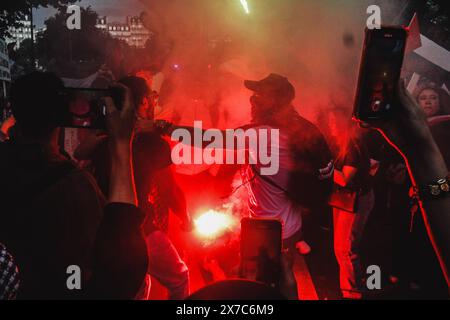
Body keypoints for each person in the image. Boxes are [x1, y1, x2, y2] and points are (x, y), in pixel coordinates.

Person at [158, 73, 334, 298]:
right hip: (292, 224)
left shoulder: (262, 134)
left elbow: (208, 139)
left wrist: (165, 128)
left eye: (257, 97)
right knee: (286, 270)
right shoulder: (300, 128)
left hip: (265, 227)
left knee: (258, 281)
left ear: (272, 102)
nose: (252, 102)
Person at [75, 76, 190, 300]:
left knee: (134, 286)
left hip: (103, 227)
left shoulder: (104, 136)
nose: (154, 103)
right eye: (151, 98)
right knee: (180, 277)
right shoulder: (154, 143)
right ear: (144, 102)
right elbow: (170, 190)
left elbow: (80, 154)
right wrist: (187, 218)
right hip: (139, 229)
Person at [365, 80, 450, 289]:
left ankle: (425, 278)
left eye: (433, 97)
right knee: (401, 233)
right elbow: (390, 160)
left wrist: (428, 190)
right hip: (403, 194)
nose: (429, 102)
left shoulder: (446, 128)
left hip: (435, 196)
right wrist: (395, 170)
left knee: (428, 238)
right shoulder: (403, 129)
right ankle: (400, 272)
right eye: (423, 98)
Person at [328, 108, 377, 299]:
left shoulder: (352, 146)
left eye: (333, 121)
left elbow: (346, 179)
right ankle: (348, 289)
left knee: (346, 249)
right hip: (346, 199)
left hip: (355, 200)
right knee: (341, 248)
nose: (330, 125)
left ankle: (353, 294)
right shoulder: (342, 145)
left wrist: (326, 169)